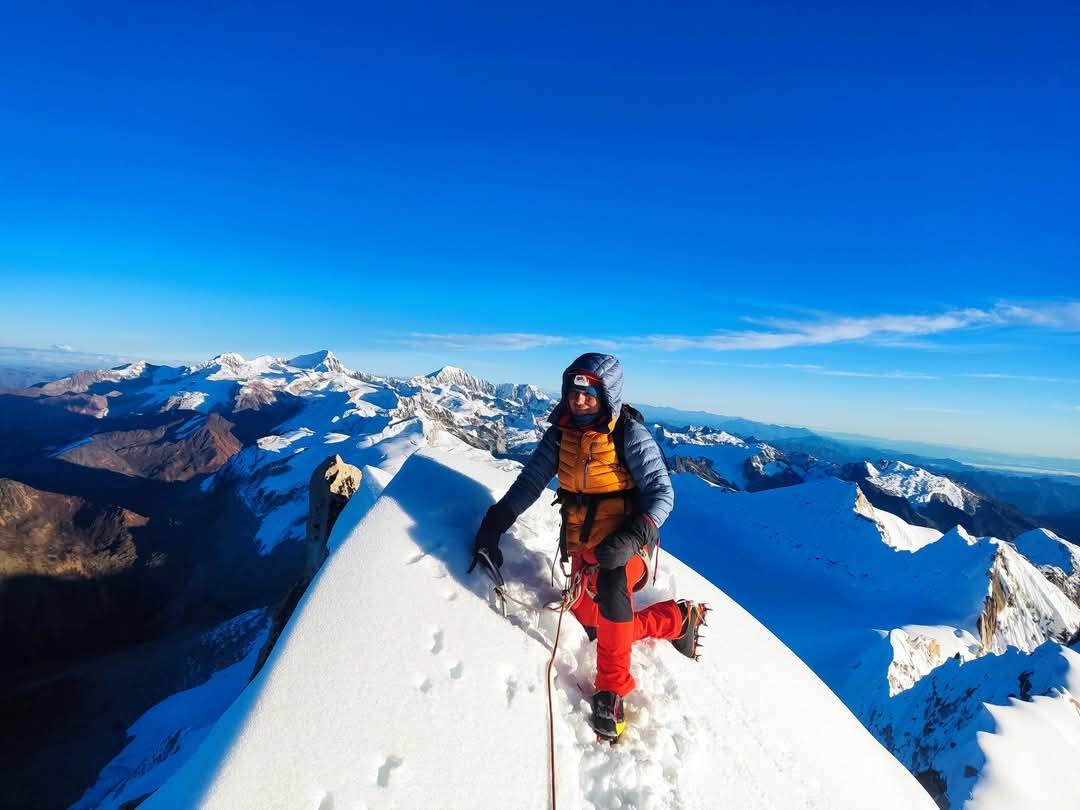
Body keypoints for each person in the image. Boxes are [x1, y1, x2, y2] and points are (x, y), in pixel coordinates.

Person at [472, 352, 706, 740]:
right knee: (600, 629)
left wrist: (632, 537)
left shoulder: (628, 434)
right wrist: (496, 522)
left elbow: (663, 493)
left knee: (613, 592)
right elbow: (531, 482)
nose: (578, 400)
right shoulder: (560, 433)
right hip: (584, 548)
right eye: (573, 390)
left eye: (589, 392)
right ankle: (678, 619)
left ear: (607, 394)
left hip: (629, 546)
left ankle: (611, 691)